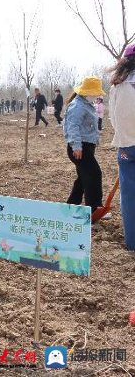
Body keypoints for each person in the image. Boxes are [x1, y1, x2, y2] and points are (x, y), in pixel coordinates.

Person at [107, 42, 135, 250]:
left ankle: (132, 242)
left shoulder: (118, 84)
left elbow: (113, 117)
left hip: (126, 145)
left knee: (129, 196)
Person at [63, 77, 105, 212]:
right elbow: (72, 126)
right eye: (96, 92)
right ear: (88, 92)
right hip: (80, 147)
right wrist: (76, 146)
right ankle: (94, 208)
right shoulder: (78, 106)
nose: (97, 95)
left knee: (83, 178)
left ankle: (71, 205)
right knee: (94, 174)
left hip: (86, 146)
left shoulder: (85, 104)